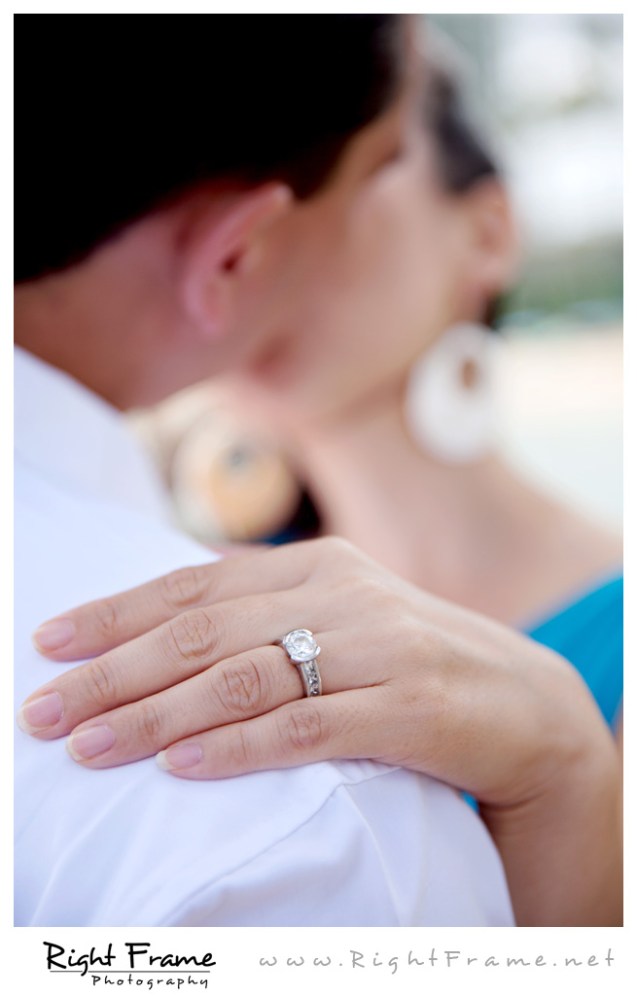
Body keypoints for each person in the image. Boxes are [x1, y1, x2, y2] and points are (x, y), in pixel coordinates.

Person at [15, 15, 621, 926]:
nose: (282, 212)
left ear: (486, 233)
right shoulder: (155, 575)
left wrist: (572, 778)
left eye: (370, 169)